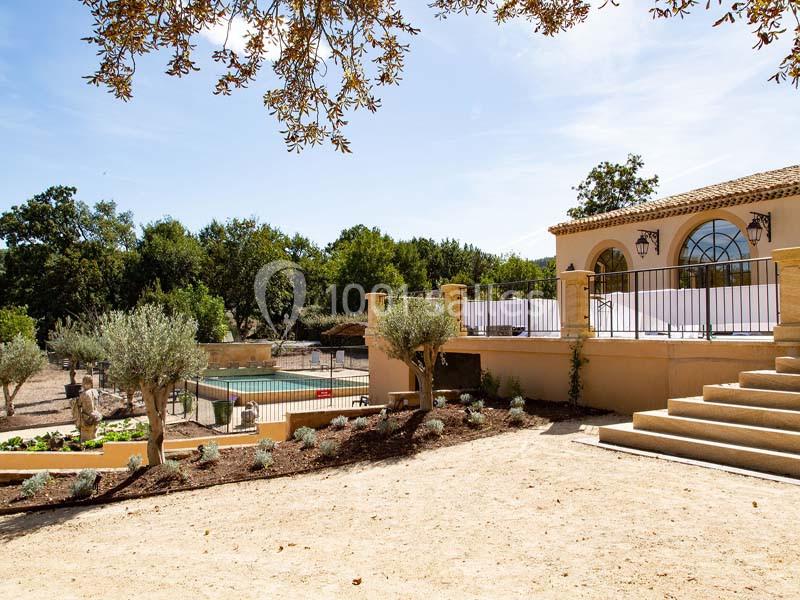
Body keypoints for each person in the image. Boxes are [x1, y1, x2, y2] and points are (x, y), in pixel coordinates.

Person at [72, 375, 102, 442]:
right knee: (94, 433)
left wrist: (73, 401)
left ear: (84, 383)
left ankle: (86, 442)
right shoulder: (95, 391)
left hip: (87, 417)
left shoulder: (84, 394)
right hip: (96, 415)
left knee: (86, 437)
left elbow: (78, 404)